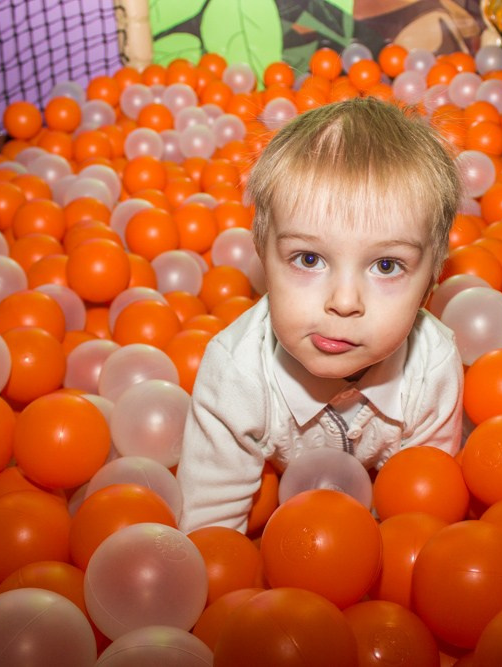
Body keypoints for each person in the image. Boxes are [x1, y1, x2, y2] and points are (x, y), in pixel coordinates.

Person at [176, 96, 464, 533]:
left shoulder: (432, 368)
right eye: (308, 259)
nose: (344, 301)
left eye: (387, 265)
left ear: (431, 283)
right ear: (263, 259)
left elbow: (420, 522)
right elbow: (208, 536)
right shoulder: (235, 374)